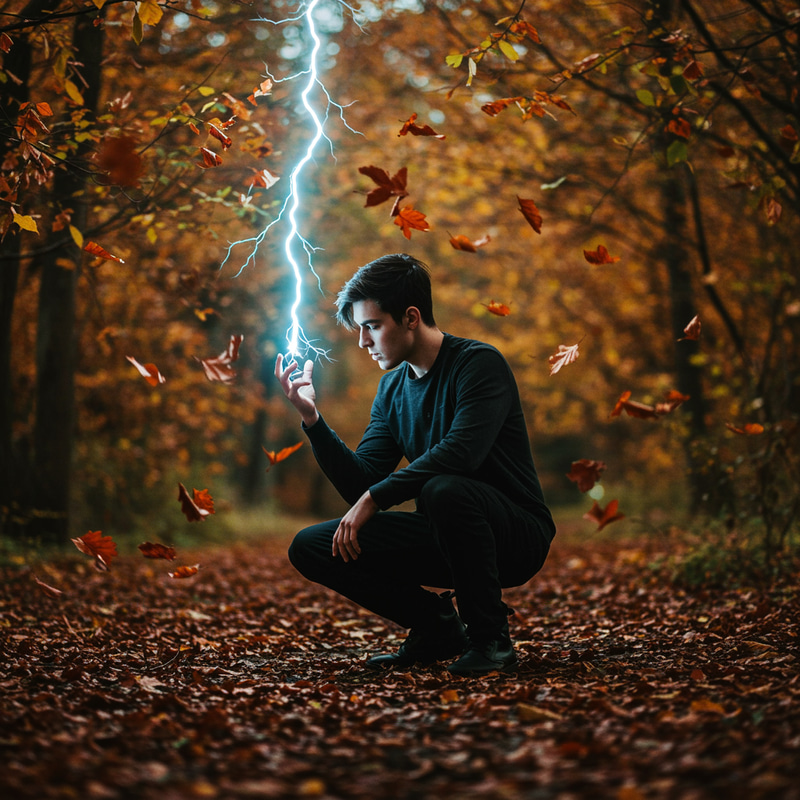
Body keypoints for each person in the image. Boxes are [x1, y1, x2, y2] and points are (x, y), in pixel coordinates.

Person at [275, 253, 555, 676]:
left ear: (410, 317)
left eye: (371, 326)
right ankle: (436, 626)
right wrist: (313, 420)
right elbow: (364, 481)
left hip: (514, 536)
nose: (363, 342)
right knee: (312, 545)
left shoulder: (478, 365)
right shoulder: (391, 391)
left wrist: (375, 497)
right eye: (359, 329)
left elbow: (462, 453)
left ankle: (491, 641)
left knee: (444, 488)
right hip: (445, 535)